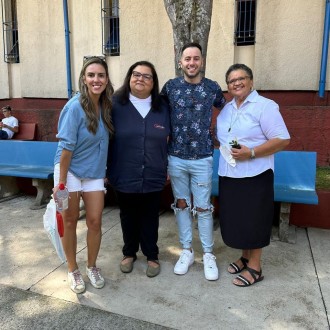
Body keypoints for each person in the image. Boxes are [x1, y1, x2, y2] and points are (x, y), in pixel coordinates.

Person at [216, 63, 290, 287]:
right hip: (230, 173)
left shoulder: (264, 106)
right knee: (239, 219)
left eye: (241, 78)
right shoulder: (228, 108)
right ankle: (245, 256)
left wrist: (252, 152)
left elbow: (282, 139)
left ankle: (256, 267)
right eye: (231, 80)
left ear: (251, 81)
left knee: (255, 220)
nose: (236, 83)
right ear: (227, 86)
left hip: (255, 174)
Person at [161, 42, 226, 281]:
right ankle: (186, 251)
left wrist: (224, 135)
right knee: (181, 205)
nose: (191, 63)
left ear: (201, 61)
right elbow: (157, 111)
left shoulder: (212, 88)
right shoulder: (170, 87)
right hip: (176, 156)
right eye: (187, 59)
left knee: (203, 207)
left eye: (195, 58)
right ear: (181, 62)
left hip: (202, 158)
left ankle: (208, 254)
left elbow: (228, 111)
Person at [53, 56, 114, 293]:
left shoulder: (107, 105)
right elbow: (66, 148)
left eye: (100, 75)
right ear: (84, 79)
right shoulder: (75, 106)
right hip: (70, 170)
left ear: (107, 79)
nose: (96, 79)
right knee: (69, 221)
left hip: (95, 171)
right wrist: (61, 184)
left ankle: (92, 266)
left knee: (95, 221)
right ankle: (73, 270)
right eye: (91, 75)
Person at [107, 61, 170, 278]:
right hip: (123, 170)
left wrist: (168, 164)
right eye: (136, 74)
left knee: (151, 215)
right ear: (129, 77)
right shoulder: (114, 104)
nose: (140, 79)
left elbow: (170, 138)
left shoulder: (162, 106)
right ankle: (129, 253)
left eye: (146, 76)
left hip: (154, 171)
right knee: (128, 214)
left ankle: (152, 255)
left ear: (154, 82)